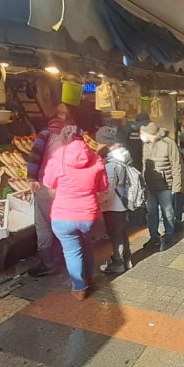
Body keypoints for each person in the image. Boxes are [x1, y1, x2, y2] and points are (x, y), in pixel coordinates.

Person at [42, 125, 108, 300]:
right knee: (86, 246)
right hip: (88, 215)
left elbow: (48, 184)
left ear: (64, 139)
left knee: (72, 251)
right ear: (83, 138)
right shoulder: (96, 158)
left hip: (63, 216)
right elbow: (103, 186)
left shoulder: (56, 158)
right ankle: (90, 277)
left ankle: (79, 288)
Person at [25, 112, 71, 277]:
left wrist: (31, 178)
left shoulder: (45, 134)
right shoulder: (69, 138)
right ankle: (65, 257)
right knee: (62, 223)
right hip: (65, 188)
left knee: (43, 224)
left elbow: (34, 155)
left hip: (46, 186)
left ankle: (47, 263)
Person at [94, 126, 134, 274]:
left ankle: (118, 263)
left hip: (113, 205)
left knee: (116, 235)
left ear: (105, 143)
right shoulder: (123, 156)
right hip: (122, 202)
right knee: (122, 233)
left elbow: (108, 190)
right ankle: (126, 259)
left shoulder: (112, 163)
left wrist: (96, 200)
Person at [140, 122, 182, 251]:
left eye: (145, 133)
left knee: (168, 212)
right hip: (150, 185)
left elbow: (176, 165)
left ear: (151, 133)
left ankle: (169, 235)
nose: (143, 135)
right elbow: (144, 164)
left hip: (166, 185)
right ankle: (154, 237)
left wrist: (176, 187)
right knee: (151, 213)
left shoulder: (169, 144)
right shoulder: (146, 144)